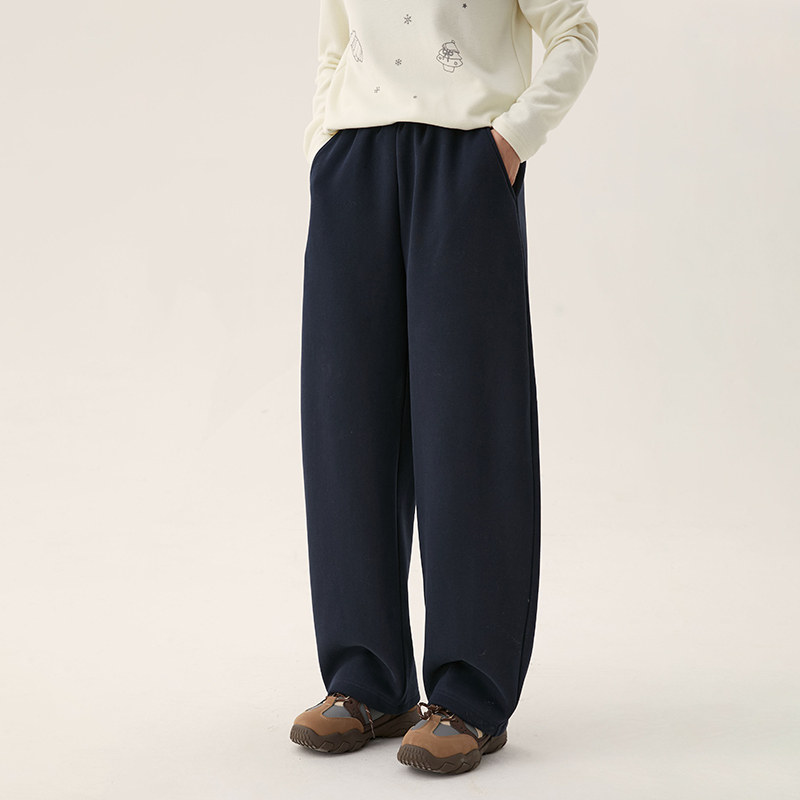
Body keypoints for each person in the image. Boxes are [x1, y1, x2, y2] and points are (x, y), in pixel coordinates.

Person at [290, 0, 599, 776]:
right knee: (344, 421)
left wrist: (512, 140)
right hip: (353, 165)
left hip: (466, 160)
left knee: (467, 425)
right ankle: (366, 680)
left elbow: (574, 32)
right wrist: (323, 145)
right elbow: (335, 44)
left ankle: (470, 695)